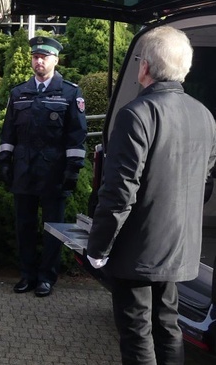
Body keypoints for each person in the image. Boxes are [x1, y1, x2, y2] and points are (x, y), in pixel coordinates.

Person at [86, 26, 216, 364]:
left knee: (136, 330)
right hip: (180, 247)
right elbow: (204, 181)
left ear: (144, 68)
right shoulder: (205, 115)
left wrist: (98, 248)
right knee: (167, 323)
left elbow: (118, 193)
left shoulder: (137, 114)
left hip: (137, 250)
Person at [0, 36, 87, 297]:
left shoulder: (70, 92)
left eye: (44, 57)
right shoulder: (19, 92)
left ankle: (47, 277)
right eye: (35, 57)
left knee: (53, 229)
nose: (38, 61)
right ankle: (27, 274)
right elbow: (8, 134)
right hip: (23, 171)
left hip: (53, 173)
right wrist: (4, 161)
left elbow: (76, 135)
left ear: (55, 60)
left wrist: (73, 169)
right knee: (23, 226)